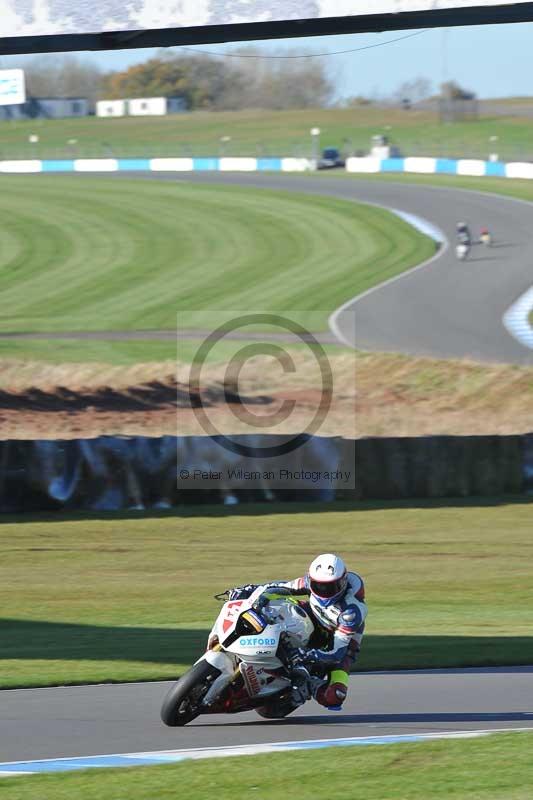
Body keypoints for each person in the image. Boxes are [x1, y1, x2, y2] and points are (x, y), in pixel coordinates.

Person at [228, 553, 367, 710]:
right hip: (313, 615)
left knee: (334, 696)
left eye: (330, 588)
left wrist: (308, 654)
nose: (323, 591)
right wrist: (249, 590)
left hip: (338, 642)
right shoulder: (308, 581)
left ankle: (309, 685)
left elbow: (336, 653)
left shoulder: (351, 612)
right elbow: (282, 587)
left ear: (342, 582)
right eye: (318, 586)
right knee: (275, 606)